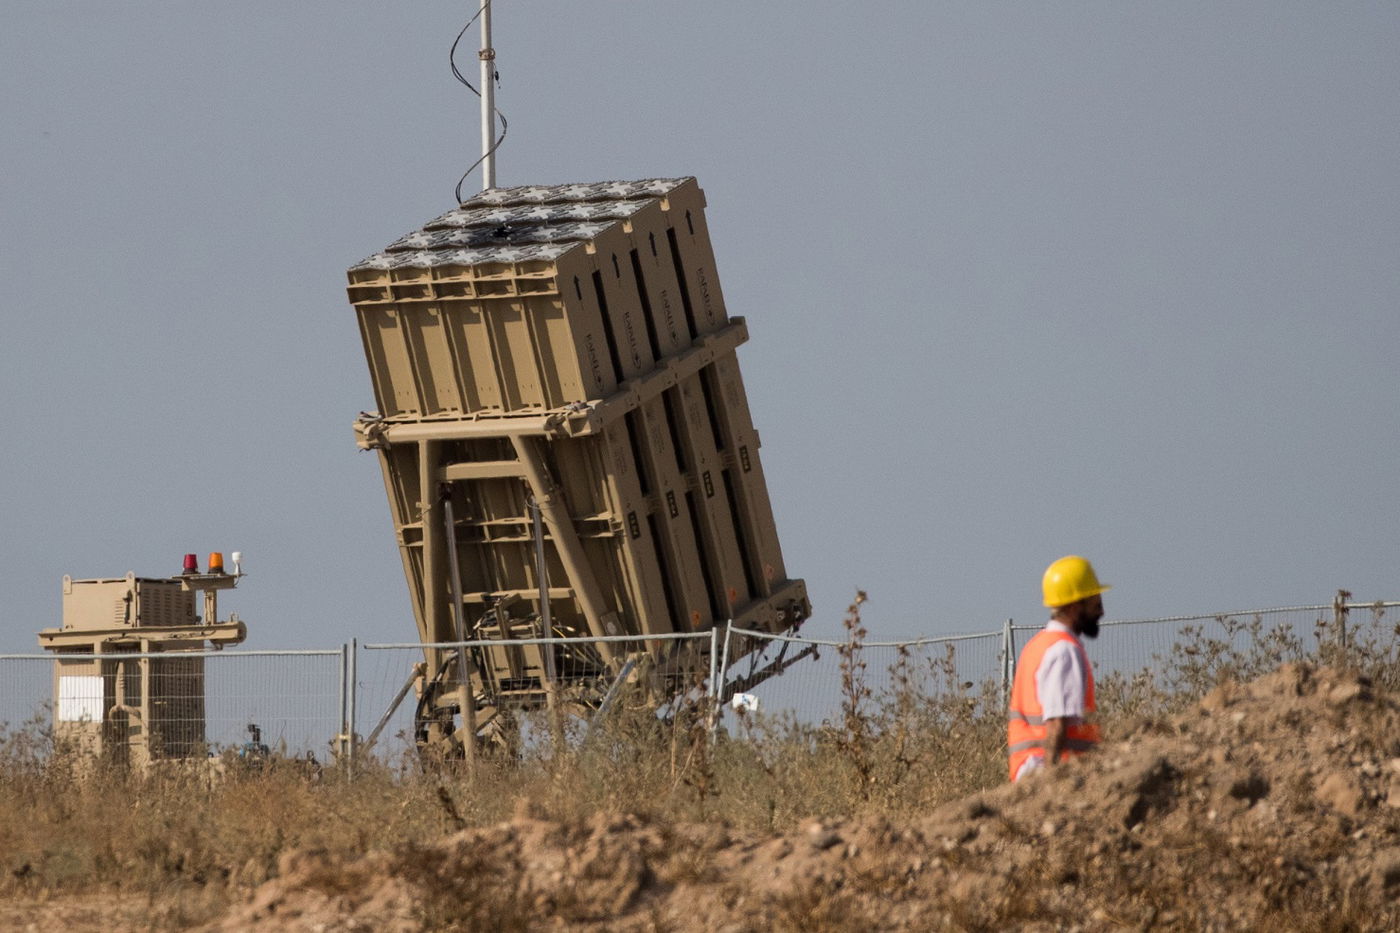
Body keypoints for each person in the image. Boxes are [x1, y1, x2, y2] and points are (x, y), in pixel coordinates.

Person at [1007, 555, 1108, 781]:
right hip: (1049, 771)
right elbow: (1056, 724)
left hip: (1031, 768)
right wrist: (1048, 785)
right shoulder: (1064, 650)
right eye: (1095, 603)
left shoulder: (1038, 645)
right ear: (1074, 605)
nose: (1101, 611)